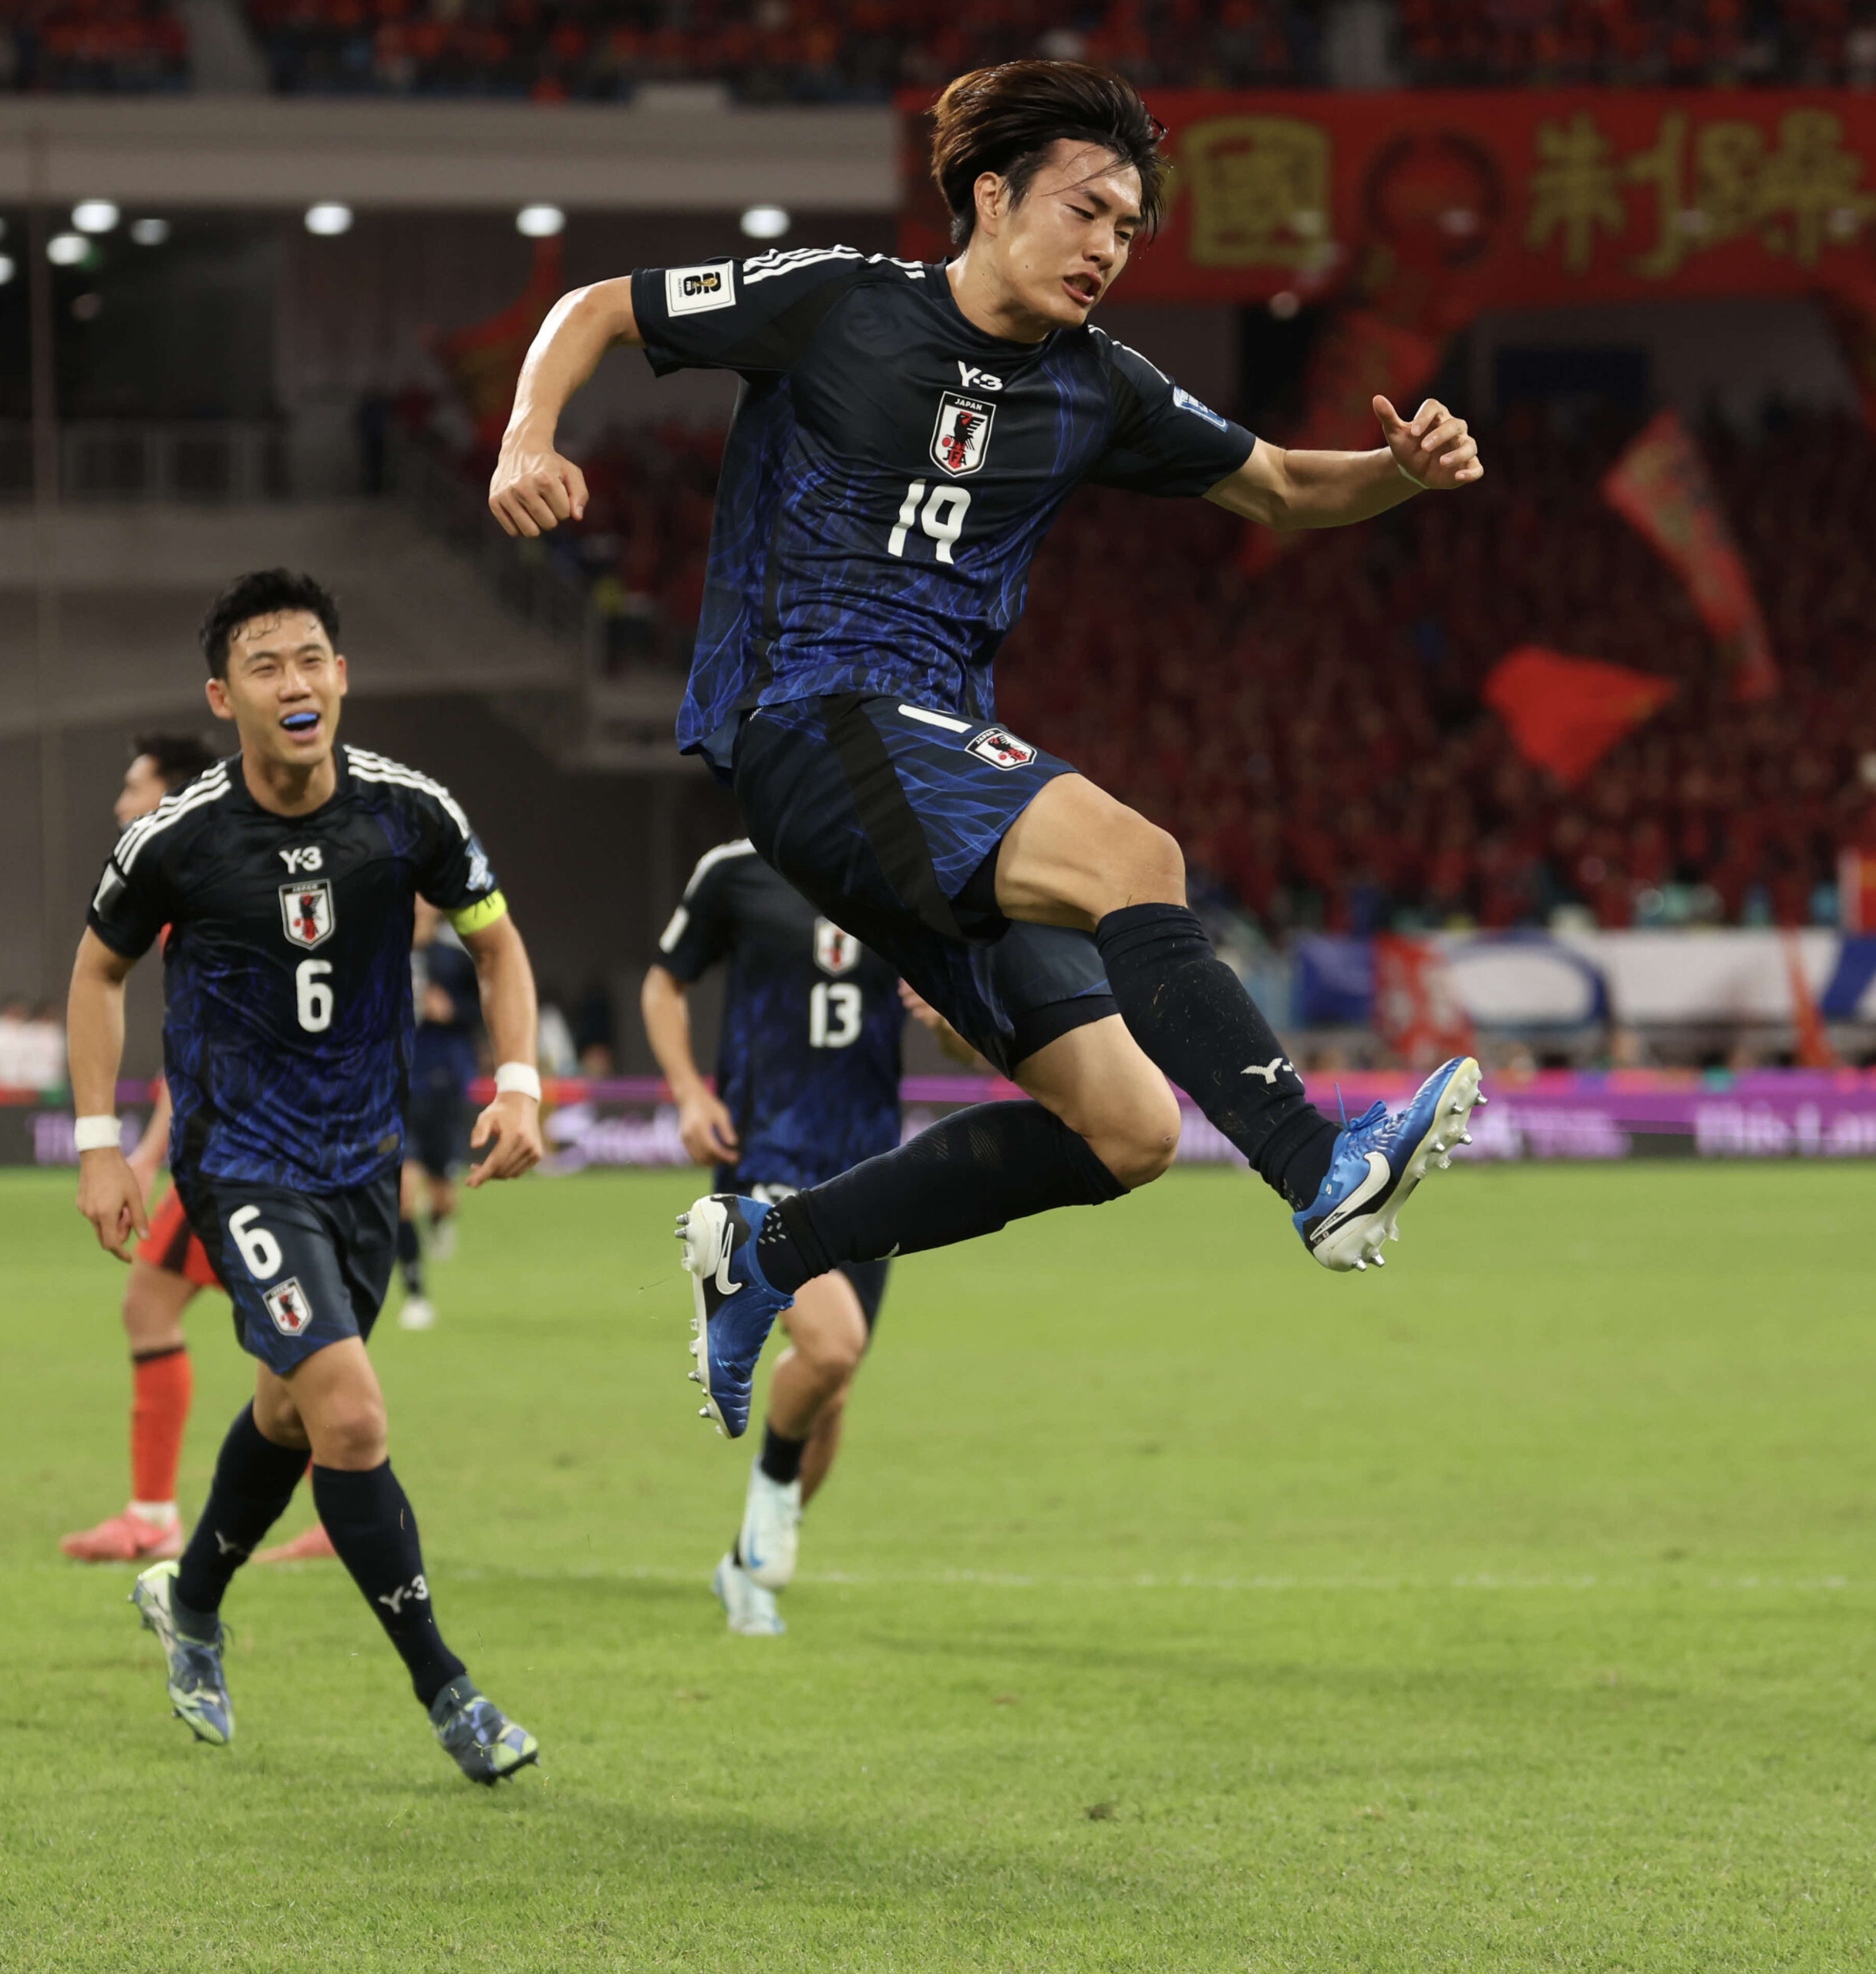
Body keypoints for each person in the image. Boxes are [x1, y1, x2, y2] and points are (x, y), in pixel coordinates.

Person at [489, 60, 1488, 1441]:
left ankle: (768, 1250)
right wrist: (526, 437)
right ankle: (1319, 1167)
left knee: (1129, 1131)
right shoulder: (838, 302)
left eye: (1128, 228)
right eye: (1085, 211)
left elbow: (1275, 485)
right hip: (812, 713)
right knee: (1136, 856)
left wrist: (1398, 473)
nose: (1107, 248)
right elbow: (599, 306)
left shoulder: (1098, 384)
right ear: (991, 195)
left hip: (932, 749)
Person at [69, 568, 544, 1784]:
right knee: (352, 1414)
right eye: (266, 665)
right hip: (241, 1168)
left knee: (291, 1411)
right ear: (223, 697)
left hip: (362, 1168)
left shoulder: (410, 812)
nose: (296, 682)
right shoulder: (177, 838)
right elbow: (97, 972)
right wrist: (99, 1143)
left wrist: (519, 1083)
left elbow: (496, 945)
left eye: (312, 659)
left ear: (343, 676)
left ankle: (190, 1599)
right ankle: (451, 1693)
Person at [642, 840, 1009, 1634]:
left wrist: (949, 1023)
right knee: (834, 1346)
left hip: (873, 1173)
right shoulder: (736, 870)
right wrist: (687, 1093)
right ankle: (771, 1499)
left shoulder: (905, 875)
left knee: (831, 1387)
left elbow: (969, 1045)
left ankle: (743, 1567)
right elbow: (663, 982)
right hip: (764, 1160)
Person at [62, 733, 224, 1565]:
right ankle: (348, 1512)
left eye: (134, 787)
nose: (121, 804)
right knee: (292, 1333)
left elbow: (209, 1043)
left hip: (241, 1145)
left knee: (290, 1337)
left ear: (167, 796)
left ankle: (156, 1514)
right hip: (244, 1135)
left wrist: (148, 1154)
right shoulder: (193, 882)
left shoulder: (201, 884)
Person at [396, 896, 483, 1331]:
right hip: (394, 1088)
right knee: (401, 1192)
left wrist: (452, 1012)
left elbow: (485, 1007)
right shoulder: (382, 950)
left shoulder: (454, 956)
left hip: (444, 1086)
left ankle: (441, 1219)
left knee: (443, 1192)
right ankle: (415, 1294)